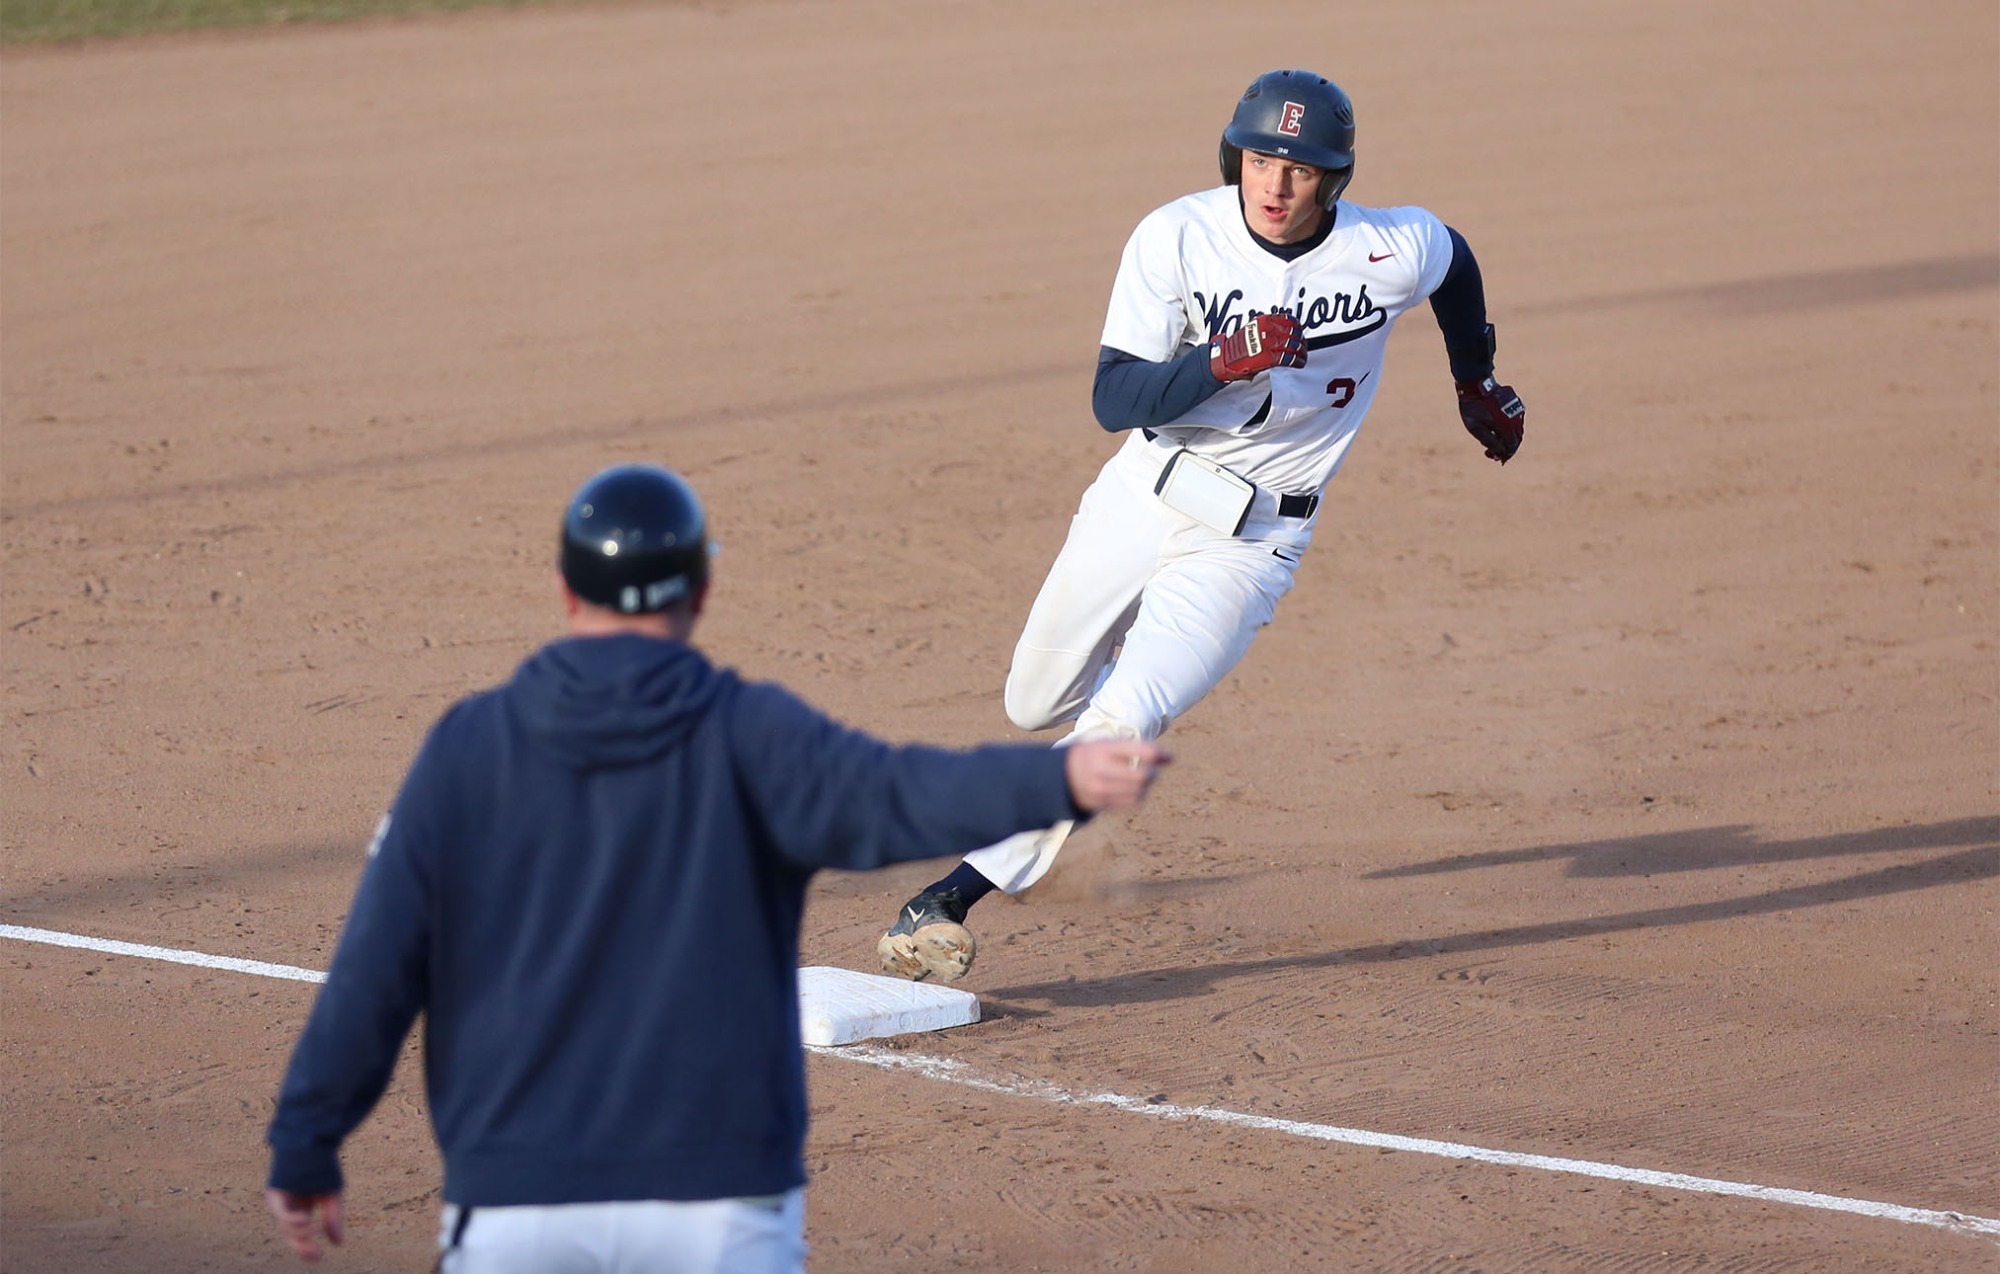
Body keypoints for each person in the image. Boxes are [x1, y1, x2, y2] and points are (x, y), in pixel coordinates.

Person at [263, 463, 1168, 1272]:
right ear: (700, 588)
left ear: (563, 589)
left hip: (520, 1191)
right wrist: (1056, 776)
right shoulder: (750, 735)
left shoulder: (469, 749)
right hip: (718, 1201)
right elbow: (903, 794)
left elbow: (377, 968)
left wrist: (307, 1145)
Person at [876, 68, 1524, 985]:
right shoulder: (1176, 235)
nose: (1275, 183)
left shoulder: (1390, 246)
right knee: (1032, 700)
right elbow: (1114, 400)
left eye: (1300, 168)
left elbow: (1453, 260)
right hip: (1144, 491)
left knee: (1127, 714)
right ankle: (1082, 733)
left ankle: (945, 897)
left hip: (1249, 545)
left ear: (1334, 178)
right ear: (1236, 157)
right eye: (1261, 158)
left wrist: (1476, 378)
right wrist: (1217, 362)